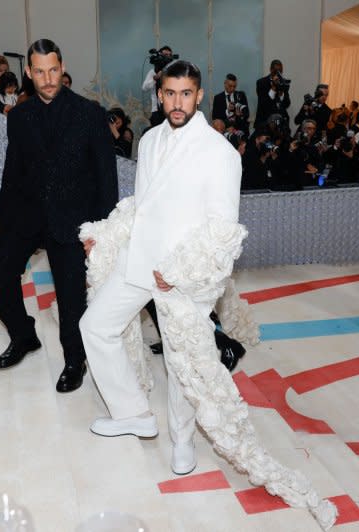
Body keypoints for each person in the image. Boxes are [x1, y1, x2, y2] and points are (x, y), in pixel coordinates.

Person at [79, 59, 242, 472]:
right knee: (95, 326)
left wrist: (178, 272)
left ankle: (183, 440)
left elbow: (222, 230)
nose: (177, 102)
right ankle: (133, 413)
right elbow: (143, 204)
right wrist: (110, 233)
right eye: (169, 93)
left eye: (186, 94)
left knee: (179, 358)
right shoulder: (149, 140)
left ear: (199, 95)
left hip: (181, 275)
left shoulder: (220, 153)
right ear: (160, 93)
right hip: (140, 260)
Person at [0, 38, 118, 393]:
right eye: (39, 72)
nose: (47, 79)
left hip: (72, 219)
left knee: (71, 293)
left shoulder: (89, 113)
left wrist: (101, 231)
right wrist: (6, 223)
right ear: (28, 72)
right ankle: (23, 336)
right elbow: (12, 171)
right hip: (27, 214)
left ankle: (74, 359)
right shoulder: (20, 117)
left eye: (53, 70)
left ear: (62, 69)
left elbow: (107, 178)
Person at [142, 45, 172, 126]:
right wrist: (155, 78)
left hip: (171, 110)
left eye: (169, 55)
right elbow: (144, 88)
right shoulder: (153, 72)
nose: (168, 57)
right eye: (165, 55)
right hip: (156, 111)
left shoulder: (173, 72)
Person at [255, 59, 290, 126]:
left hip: (280, 122)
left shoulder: (283, 83)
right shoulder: (261, 82)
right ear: (271, 70)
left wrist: (281, 94)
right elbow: (264, 104)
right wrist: (273, 87)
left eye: (280, 71)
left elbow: (287, 104)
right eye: (276, 71)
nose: (278, 73)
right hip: (265, 121)